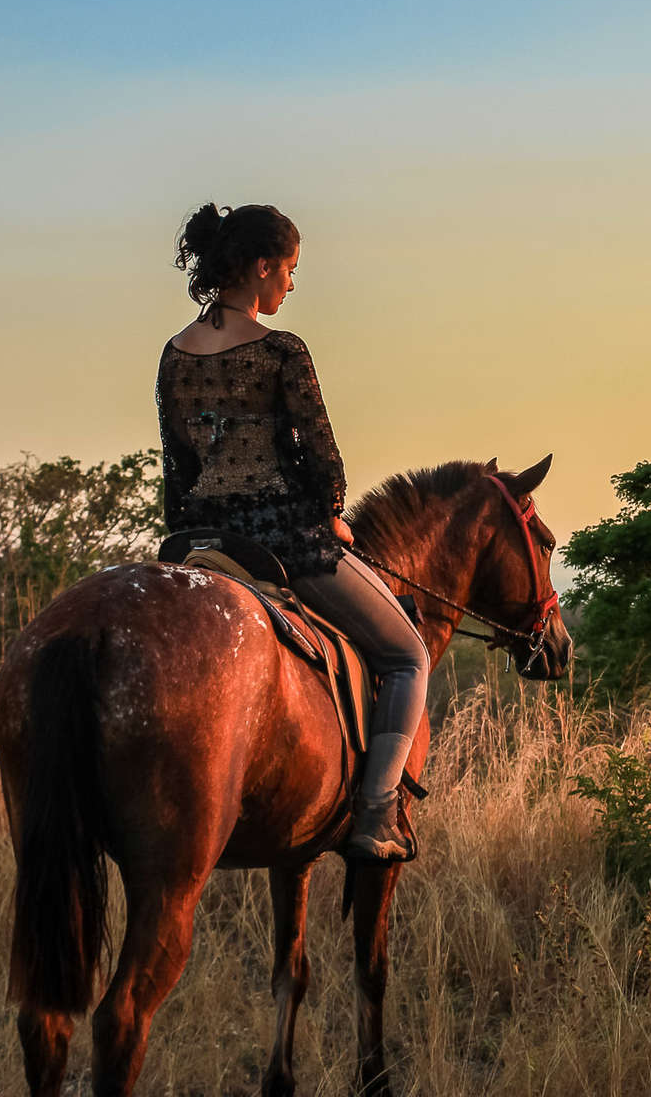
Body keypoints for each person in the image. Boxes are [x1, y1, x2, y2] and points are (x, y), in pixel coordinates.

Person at [156, 202, 427, 862]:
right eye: (290, 270)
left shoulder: (174, 354)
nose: (291, 285)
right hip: (282, 537)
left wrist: (189, 532)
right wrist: (332, 508)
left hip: (199, 541)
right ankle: (375, 813)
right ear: (260, 267)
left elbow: (177, 462)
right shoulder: (281, 350)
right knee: (407, 656)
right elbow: (318, 452)